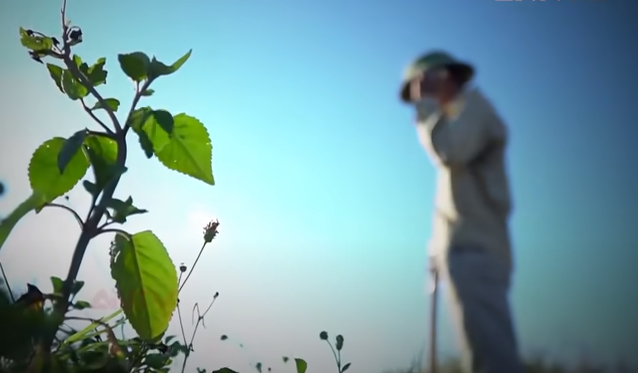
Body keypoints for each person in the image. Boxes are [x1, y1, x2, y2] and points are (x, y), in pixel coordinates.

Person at [398, 51, 526, 373]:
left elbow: (450, 151)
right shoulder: (454, 122)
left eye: (421, 84)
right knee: (480, 356)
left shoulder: (474, 111)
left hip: (476, 251)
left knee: (492, 361)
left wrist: (426, 106)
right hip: (460, 252)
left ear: (442, 77)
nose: (418, 94)